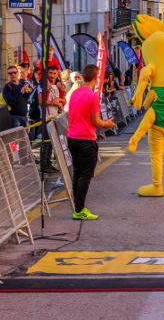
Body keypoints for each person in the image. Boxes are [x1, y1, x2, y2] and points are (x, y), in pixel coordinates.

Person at [67, 64, 116, 220]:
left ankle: (78, 208)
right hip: (85, 140)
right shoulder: (91, 96)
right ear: (96, 78)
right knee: (85, 175)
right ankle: (80, 209)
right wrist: (107, 124)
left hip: (72, 138)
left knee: (77, 173)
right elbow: (96, 122)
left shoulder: (75, 93)